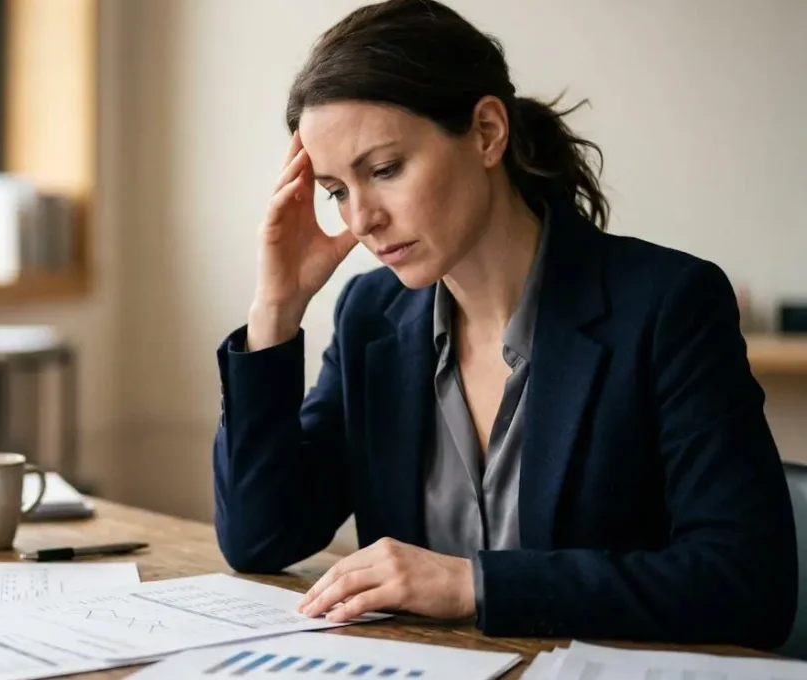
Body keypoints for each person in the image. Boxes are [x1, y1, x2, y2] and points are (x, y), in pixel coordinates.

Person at [212, 0, 797, 649]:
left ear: (488, 132)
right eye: (336, 190)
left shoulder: (667, 306)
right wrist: (275, 310)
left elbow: (750, 586)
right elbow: (260, 539)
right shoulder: (369, 317)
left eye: (383, 170)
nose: (360, 220)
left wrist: (475, 585)